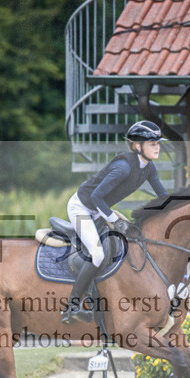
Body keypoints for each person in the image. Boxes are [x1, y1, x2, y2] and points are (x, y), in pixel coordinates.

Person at [61, 120, 169, 324]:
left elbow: (164, 197)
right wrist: (113, 219)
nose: (158, 147)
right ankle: (72, 307)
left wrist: (184, 203)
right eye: (152, 143)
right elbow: (95, 197)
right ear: (138, 146)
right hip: (82, 207)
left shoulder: (148, 168)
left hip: (99, 209)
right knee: (98, 254)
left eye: (158, 143)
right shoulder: (123, 168)